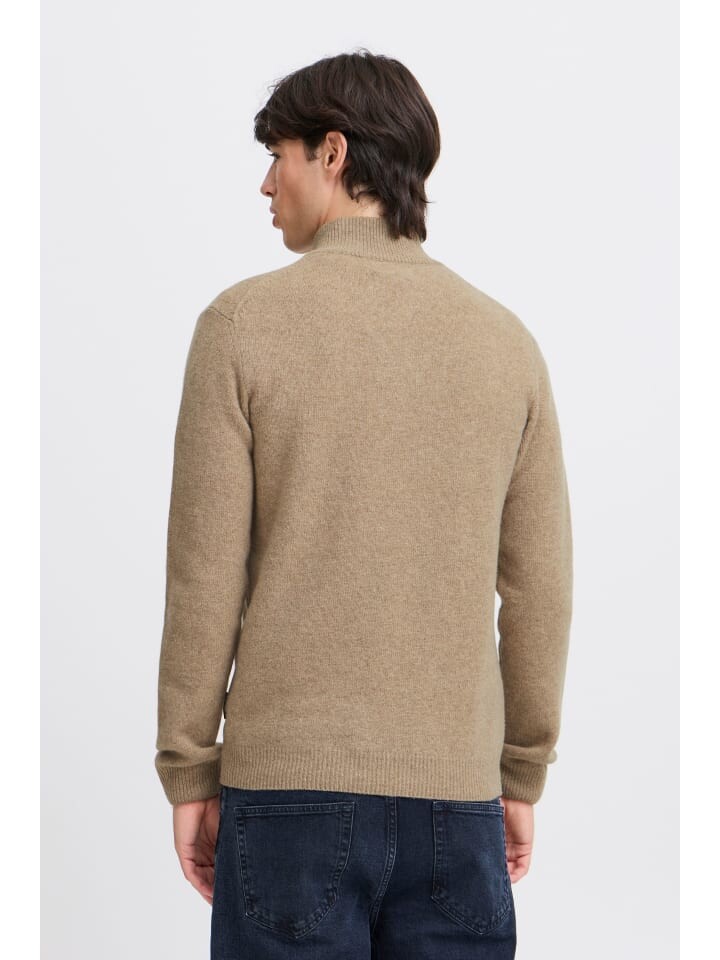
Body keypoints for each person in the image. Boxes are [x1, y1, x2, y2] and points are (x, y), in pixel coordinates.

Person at [154, 48, 573, 960]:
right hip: (458, 799)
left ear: (334, 152)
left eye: (279, 156)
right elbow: (540, 586)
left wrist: (189, 766)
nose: (267, 184)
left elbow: (203, 574)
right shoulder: (506, 345)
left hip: (286, 798)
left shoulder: (240, 327)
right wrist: (520, 772)